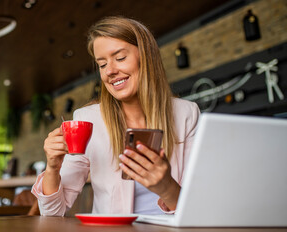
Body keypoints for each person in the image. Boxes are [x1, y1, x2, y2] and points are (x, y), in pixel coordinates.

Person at [32, 16, 200, 216]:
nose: (109, 71)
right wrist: (53, 167)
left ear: (146, 57)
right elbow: (52, 212)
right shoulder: (87, 120)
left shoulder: (186, 114)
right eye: (102, 64)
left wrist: (165, 186)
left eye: (120, 58)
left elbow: (200, 210)